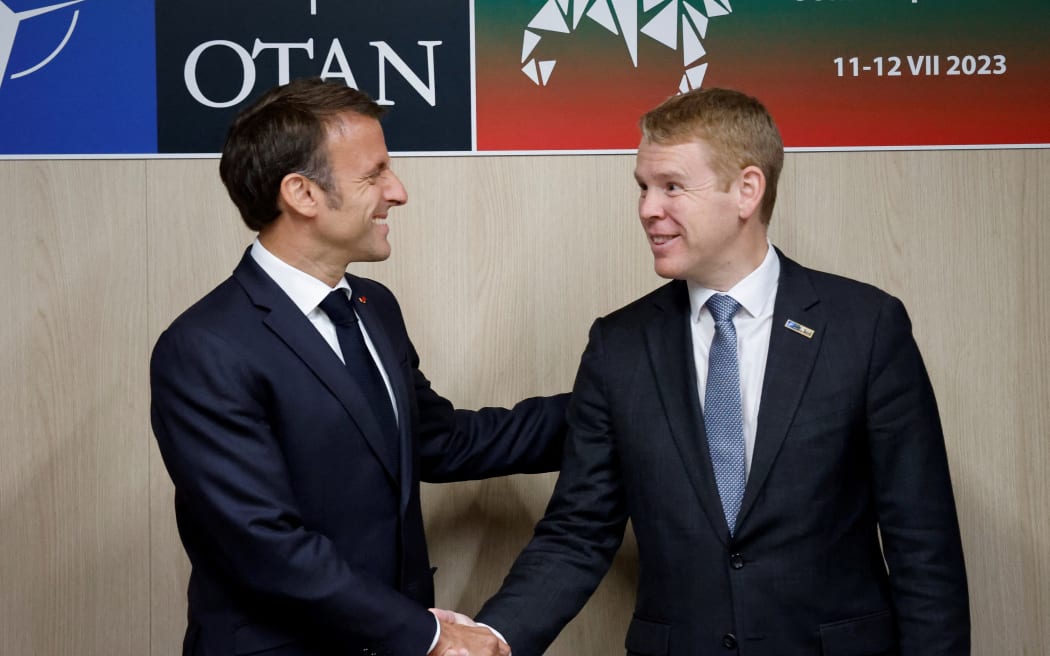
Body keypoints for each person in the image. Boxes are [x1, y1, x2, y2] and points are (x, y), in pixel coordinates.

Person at [471, 88, 970, 655]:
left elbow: (922, 544)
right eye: (643, 187)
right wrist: (494, 636)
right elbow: (578, 532)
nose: (647, 209)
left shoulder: (866, 328)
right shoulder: (620, 346)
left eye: (672, 187)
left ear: (747, 190)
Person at [149, 78, 568, 656]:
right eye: (374, 174)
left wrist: (610, 407)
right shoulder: (204, 347)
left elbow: (438, 442)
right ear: (302, 194)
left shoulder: (374, 309)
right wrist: (427, 636)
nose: (398, 192)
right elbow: (264, 544)